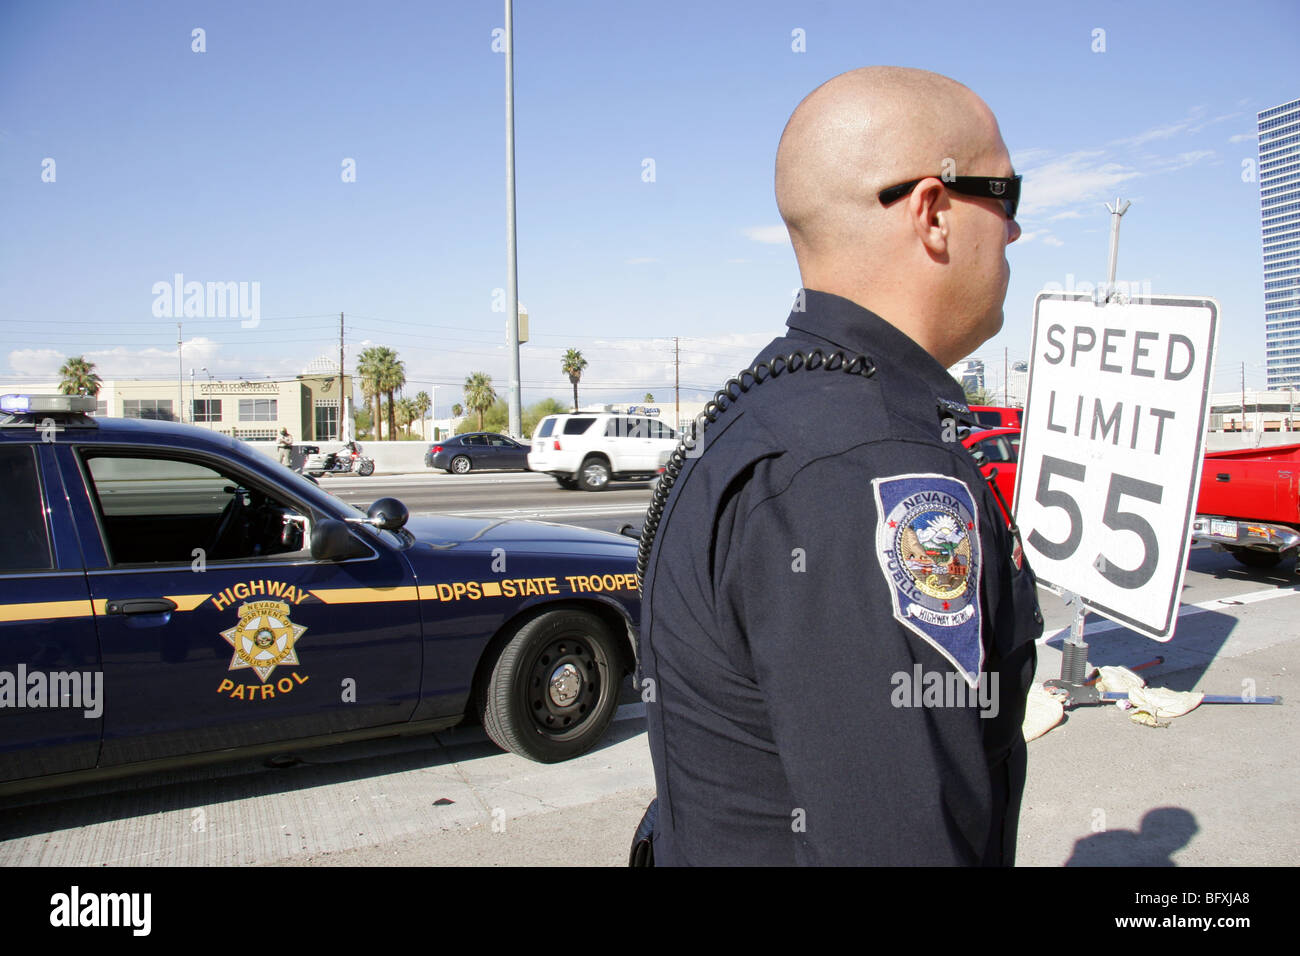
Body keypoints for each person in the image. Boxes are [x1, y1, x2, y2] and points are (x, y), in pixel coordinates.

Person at [638, 67, 1042, 866]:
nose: (1016, 232)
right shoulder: (876, 467)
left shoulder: (768, 407)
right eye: (1007, 196)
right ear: (933, 212)